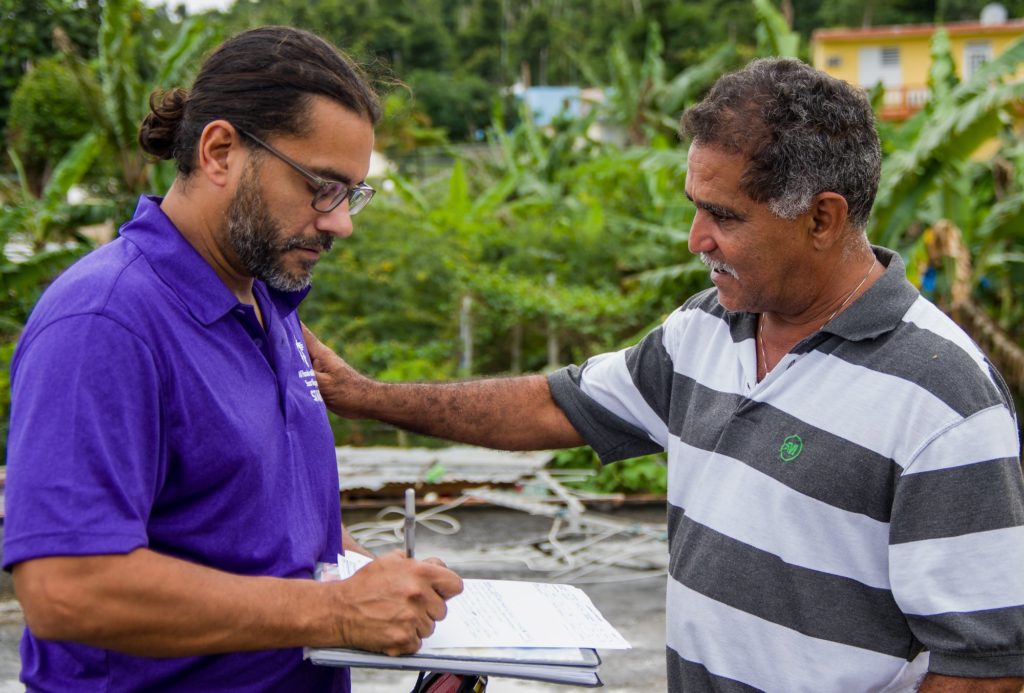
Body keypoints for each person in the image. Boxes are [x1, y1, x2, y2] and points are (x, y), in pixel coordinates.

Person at [303, 57, 1024, 692]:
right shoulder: (704, 330)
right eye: (694, 208)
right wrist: (360, 394)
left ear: (823, 219)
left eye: (724, 216)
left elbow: (984, 670)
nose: (695, 240)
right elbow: (553, 405)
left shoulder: (943, 399)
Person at [3, 26, 462, 692]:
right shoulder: (105, 321)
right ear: (221, 151)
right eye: (322, 187)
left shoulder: (267, 304)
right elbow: (66, 588)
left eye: (352, 194)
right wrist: (334, 611)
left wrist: (411, 607)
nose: (341, 223)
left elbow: (269, 538)